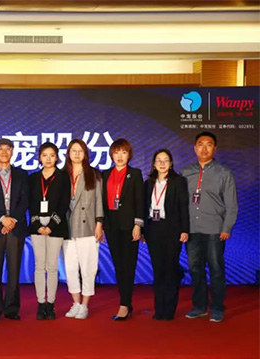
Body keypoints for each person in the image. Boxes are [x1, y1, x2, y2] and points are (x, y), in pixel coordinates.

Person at [182, 132, 237, 323]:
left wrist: (227, 227)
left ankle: (217, 307)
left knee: (216, 269)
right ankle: (199, 306)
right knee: (194, 269)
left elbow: (231, 205)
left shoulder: (224, 173)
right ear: (194, 148)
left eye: (209, 144)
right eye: (200, 144)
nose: (204, 148)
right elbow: (180, 202)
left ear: (215, 148)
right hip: (191, 228)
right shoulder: (185, 172)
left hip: (215, 229)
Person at [0, 138, 30, 321]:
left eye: (7, 149)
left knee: (14, 270)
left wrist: (12, 220)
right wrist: (3, 219)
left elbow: (25, 200)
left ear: (12, 152)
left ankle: (11, 308)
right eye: (0, 149)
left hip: (16, 227)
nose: (4, 152)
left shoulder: (22, 174)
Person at [143, 149, 189, 321]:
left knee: (170, 268)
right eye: (159, 160)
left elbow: (183, 205)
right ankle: (159, 308)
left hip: (172, 229)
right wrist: (143, 230)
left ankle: (169, 310)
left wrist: (184, 229)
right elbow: (144, 207)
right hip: (153, 229)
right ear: (154, 164)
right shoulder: (148, 183)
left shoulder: (178, 182)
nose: (162, 163)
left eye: (166, 160)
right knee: (158, 269)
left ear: (171, 164)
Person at [102, 138, 144, 321]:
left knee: (128, 265)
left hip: (130, 227)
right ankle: (125, 302)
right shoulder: (105, 174)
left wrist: (138, 225)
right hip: (112, 226)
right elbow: (102, 202)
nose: (120, 156)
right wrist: (102, 225)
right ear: (111, 154)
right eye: (116, 152)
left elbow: (140, 201)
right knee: (119, 266)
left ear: (129, 155)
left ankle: (125, 304)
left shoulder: (135, 174)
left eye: (124, 152)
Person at [62, 139, 104, 320]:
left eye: (80, 151)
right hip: (67, 227)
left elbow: (99, 201)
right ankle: (76, 303)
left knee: (88, 268)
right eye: (74, 150)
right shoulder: (63, 174)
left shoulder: (93, 174)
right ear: (68, 153)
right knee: (70, 268)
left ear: (85, 154)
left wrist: (99, 224)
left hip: (88, 227)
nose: (77, 154)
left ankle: (85, 305)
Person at [28, 142, 70, 320]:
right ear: (39, 157)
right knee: (39, 266)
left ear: (57, 157)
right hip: (37, 225)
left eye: (52, 155)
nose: (48, 159)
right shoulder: (33, 178)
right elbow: (30, 203)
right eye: (44, 155)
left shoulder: (63, 177)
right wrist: (37, 224)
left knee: (52, 267)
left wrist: (51, 225)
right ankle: (40, 304)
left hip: (56, 225)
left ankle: (50, 304)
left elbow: (64, 203)